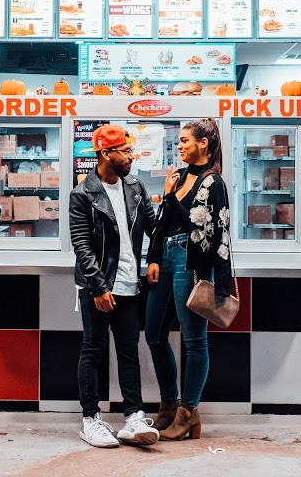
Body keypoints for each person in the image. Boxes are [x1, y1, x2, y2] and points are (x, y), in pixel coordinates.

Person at [69, 124, 161, 448]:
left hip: (129, 285)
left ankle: (133, 417)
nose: (131, 156)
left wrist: (154, 258)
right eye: (125, 151)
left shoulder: (135, 187)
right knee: (93, 350)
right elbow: (82, 245)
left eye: (131, 150)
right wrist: (98, 287)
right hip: (98, 286)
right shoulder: (83, 194)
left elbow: (154, 228)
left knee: (128, 352)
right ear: (106, 153)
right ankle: (90, 420)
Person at [145, 118, 233, 440]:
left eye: (185, 140)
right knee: (154, 334)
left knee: (194, 340)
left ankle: (188, 413)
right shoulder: (180, 176)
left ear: (203, 143)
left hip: (191, 260)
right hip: (168, 257)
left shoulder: (213, 182)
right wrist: (153, 257)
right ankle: (169, 404)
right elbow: (164, 222)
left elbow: (208, 232)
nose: (179, 146)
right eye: (179, 141)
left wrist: (222, 282)